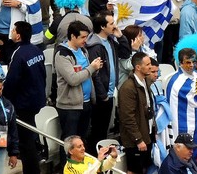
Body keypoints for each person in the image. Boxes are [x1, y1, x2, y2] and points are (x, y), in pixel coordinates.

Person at [55, 21, 103, 157]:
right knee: (69, 143)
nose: (85, 40)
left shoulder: (83, 51)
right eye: (82, 37)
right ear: (72, 36)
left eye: (86, 37)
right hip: (70, 107)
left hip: (85, 103)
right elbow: (73, 79)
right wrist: (91, 68)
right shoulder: (62, 54)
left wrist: (95, 69)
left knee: (82, 140)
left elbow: (87, 74)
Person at [3, 22, 45, 174]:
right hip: (37, 99)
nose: (11, 32)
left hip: (23, 103)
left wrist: (5, 98)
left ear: (18, 35)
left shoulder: (18, 53)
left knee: (26, 143)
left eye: (13, 30)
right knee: (30, 137)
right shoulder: (37, 50)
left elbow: (12, 80)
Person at [85, 11, 129, 149]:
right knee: (98, 131)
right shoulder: (95, 46)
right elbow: (95, 74)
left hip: (109, 93)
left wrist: (121, 37)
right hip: (101, 96)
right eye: (111, 23)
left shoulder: (111, 40)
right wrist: (102, 95)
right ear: (103, 27)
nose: (114, 26)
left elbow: (125, 53)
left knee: (104, 129)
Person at [167, 39, 197, 159]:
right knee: (188, 155)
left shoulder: (196, 75)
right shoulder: (178, 81)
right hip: (186, 124)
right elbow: (196, 100)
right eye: (188, 62)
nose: (191, 65)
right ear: (180, 63)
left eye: (193, 62)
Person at [119, 52, 155, 174]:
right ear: (138, 67)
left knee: (144, 168)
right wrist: (138, 139)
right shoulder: (128, 88)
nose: (151, 67)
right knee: (134, 170)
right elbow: (127, 117)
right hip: (135, 141)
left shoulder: (145, 82)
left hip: (146, 134)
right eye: (148, 64)